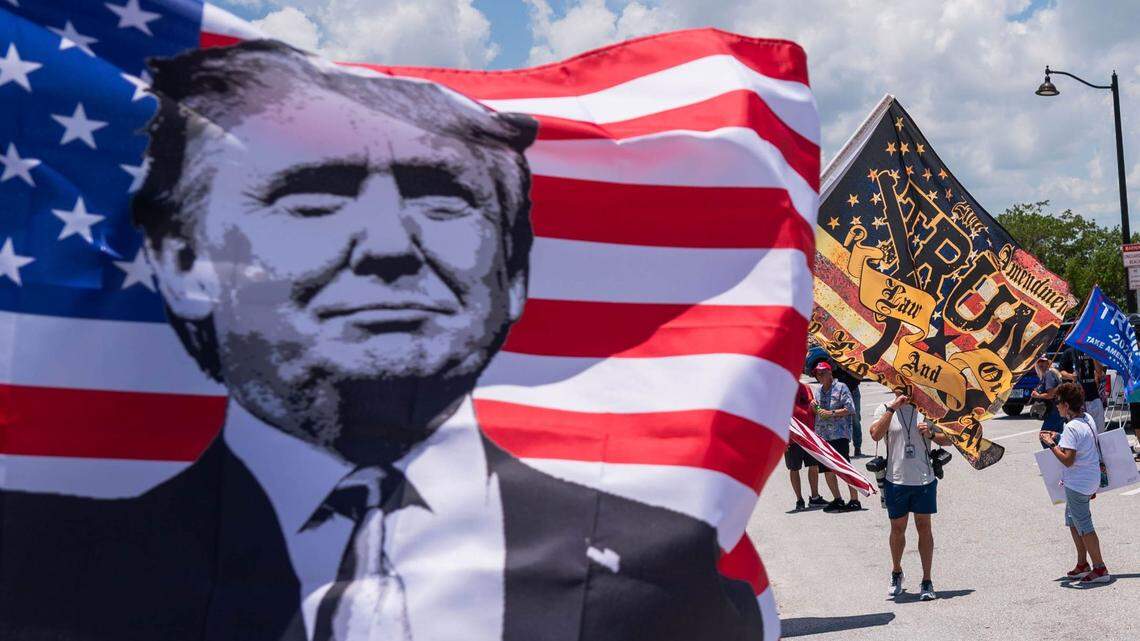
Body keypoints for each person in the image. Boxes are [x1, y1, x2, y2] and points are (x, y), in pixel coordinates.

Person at [0, 41, 764, 641]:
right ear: (184, 263)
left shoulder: (670, 566)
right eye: (313, 199)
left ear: (514, 272)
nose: (389, 245)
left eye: (443, 199)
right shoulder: (46, 577)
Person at [869, 393, 952, 601]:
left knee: (924, 528)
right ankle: (897, 572)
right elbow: (875, 435)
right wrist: (892, 409)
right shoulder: (885, 407)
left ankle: (927, 580)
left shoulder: (928, 408)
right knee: (897, 529)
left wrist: (932, 435)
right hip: (895, 479)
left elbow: (949, 439)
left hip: (924, 478)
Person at [1040, 383, 1112, 584]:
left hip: (1078, 483)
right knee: (1073, 520)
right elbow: (1081, 443)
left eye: (1058, 403)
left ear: (1065, 404)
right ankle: (1083, 564)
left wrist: (1052, 444)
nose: (1057, 407)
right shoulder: (1086, 418)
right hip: (1090, 478)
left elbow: (1068, 460)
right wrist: (1059, 436)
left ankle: (1100, 568)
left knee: (1085, 525)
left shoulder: (1071, 427)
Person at [812, 362, 861, 512]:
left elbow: (850, 408)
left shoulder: (841, 387)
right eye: (817, 374)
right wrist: (815, 408)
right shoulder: (818, 391)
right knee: (827, 469)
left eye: (822, 373)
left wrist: (831, 413)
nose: (820, 376)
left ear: (830, 373)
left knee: (844, 467)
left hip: (839, 434)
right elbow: (819, 413)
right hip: (823, 435)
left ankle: (854, 500)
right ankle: (837, 499)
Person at [786, 382, 824, 510]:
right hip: (791, 436)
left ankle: (815, 497)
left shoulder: (804, 387)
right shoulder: (780, 390)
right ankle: (799, 500)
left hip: (809, 434)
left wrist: (816, 408)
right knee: (794, 468)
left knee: (813, 465)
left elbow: (813, 406)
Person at [1059, 346, 1105, 433]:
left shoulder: (1092, 350)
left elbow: (1100, 372)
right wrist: (1071, 376)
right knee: (1080, 430)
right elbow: (1061, 371)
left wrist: (1093, 356)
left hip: (1093, 396)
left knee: (1099, 430)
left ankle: (1099, 446)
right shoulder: (1069, 352)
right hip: (1077, 400)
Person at [1030, 354, 1063, 445]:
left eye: (1043, 361)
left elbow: (1051, 394)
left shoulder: (1049, 374)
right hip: (1058, 410)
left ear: (1048, 362)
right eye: (1039, 361)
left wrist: (1037, 395)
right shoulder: (1050, 373)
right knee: (1056, 437)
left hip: (1054, 411)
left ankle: (1057, 456)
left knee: (1045, 437)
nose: (1041, 364)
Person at [833, 362, 864, 457]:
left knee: (855, 420)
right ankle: (843, 449)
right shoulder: (833, 360)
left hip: (853, 391)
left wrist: (846, 368)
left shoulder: (853, 360)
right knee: (840, 420)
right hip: (839, 394)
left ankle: (857, 447)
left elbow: (860, 377)